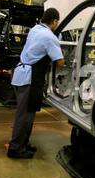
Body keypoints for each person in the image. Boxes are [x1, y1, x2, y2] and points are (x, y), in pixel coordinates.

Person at [7, 8, 64, 158]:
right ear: (54, 21)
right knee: (24, 115)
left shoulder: (35, 29)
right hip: (29, 78)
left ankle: (23, 144)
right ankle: (15, 148)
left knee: (28, 113)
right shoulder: (49, 37)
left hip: (21, 74)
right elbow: (60, 62)